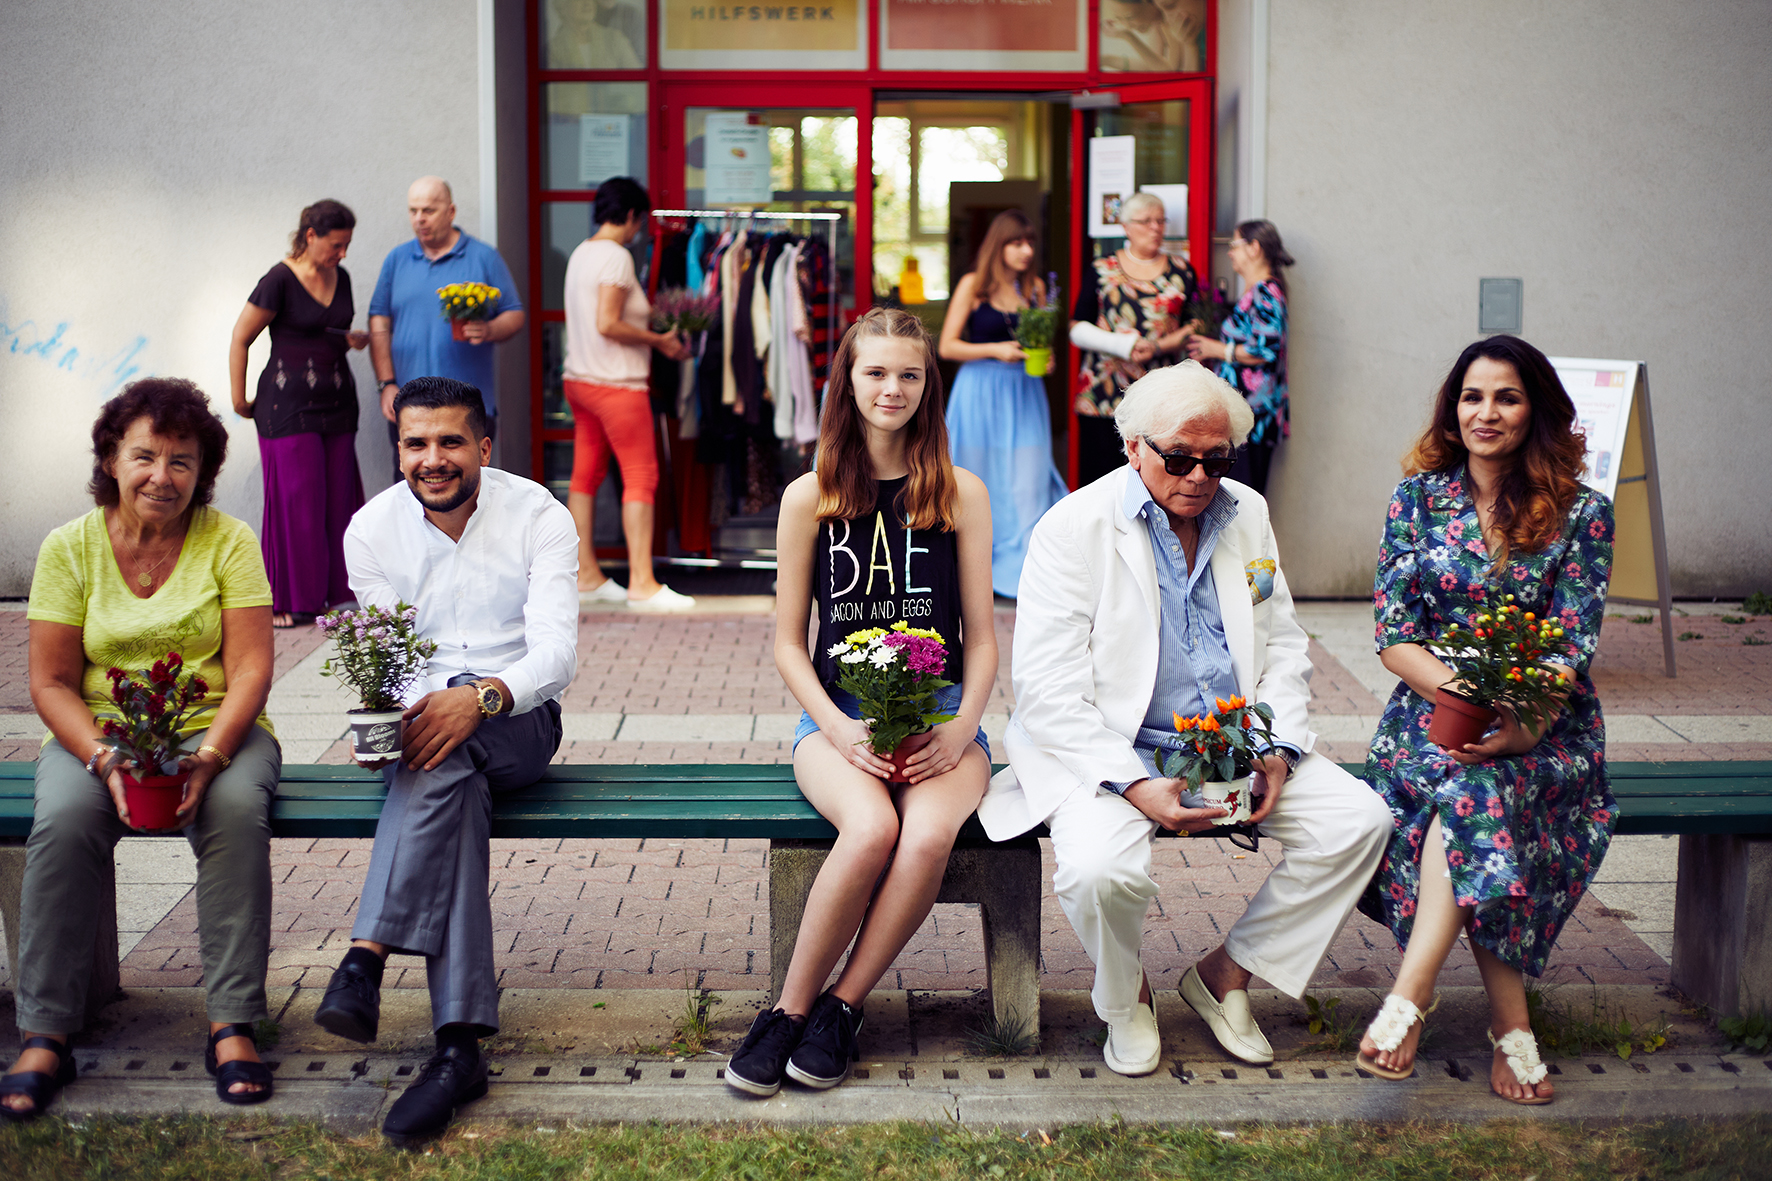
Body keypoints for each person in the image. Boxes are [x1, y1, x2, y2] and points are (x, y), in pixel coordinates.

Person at [978, 361, 1392, 1076]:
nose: (1199, 475)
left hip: (1237, 748)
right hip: (1111, 753)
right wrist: (1135, 784)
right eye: (1178, 456)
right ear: (1132, 446)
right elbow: (1046, 690)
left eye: (1217, 458)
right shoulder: (1071, 528)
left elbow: (1282, 640)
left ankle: (1226, 974)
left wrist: (1280, 749)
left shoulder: (1249, 514)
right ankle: (1124, 997)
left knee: (1358, 822)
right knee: (1102, 871)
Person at [726, 309, 997, 1097]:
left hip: (943, 719)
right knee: (873, 825)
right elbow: (786, 641)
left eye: (909, 374)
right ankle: (785, 1010)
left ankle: (842, 1007)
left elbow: (980, 638)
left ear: (928, 385)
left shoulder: (960, 493)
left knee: (925, 837)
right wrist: (841, 729)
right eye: (876, 372)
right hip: (836, 721)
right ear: (847, 379)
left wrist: (964, 726)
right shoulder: (810, 495)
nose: (893, 388)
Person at [3, 379, 281, 1119]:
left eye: (182, 461)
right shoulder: (71, 546)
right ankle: (45, 1029)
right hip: (101, 730)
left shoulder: (230, 541)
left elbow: (252, 666)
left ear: (203, 472)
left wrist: (215, 752)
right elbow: (53, 680)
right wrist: (102, 756)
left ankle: (232, 1022)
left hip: (212, 724)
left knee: (234, 812)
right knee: (62, 822)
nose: (163, 475)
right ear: (111, 459)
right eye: (145, 456)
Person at [309, 377, 577, 1145]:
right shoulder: (371, 530)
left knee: (443, 751)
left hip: (520, 719)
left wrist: (481, 696)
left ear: (484, 447)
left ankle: (365, 953)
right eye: (416, 443)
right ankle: (457, 1048)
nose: (433, 459)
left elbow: (556, 653)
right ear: (398, 449)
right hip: (433, 737)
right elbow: (388, 663)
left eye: (451, 442)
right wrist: (411, 713)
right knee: (445, 774)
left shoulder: (538, 515)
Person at [1355, 335, 1615, 1106]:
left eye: (1506, 396)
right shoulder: (1417, 499)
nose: (1486, 412)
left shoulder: (1582, 513)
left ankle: (1411, 999)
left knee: (1479, 790)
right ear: (1452, 407)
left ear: (1535, 408)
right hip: (1431, 712)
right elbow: (1394, 634)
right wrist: (1465, 695)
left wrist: (1523, 721)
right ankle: (1511, 1026)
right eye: (1472, 396)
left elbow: (1570, 641)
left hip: (1547, 722)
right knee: (1468, 782)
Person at [228, 199, 369, 629]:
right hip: (286, 408)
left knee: (342, 503)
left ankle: (340, 596)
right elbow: (241, 338)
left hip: (339, 406)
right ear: (310, 236)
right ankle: (290, 600)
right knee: (297, 505)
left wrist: (351, 340)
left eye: (347, 245)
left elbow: (320, 333)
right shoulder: (279, 279)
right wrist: (239, 399)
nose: (342, 253)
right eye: (336, 244)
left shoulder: (340, 276)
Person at [562, 176, 696, 611]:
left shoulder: (581, 253)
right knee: (641, 476)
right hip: (616, 385)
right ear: (634, 216)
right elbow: (608, 322)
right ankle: (642, 583)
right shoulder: (616, 257)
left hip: (580, 381)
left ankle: (586, 574)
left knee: (585, 477)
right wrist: (660, 341)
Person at [938, 209, 1068, 598]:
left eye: (1030, 243)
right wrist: (996, 349)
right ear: (999, 245)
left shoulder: (1036, 291)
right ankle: (972, 569)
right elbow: (947, 346)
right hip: (979, 392)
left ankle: (1025, 572)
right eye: (1016, 243)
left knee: (1029, 478)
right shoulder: (973, 287)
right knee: (976, 475)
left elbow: (1045, 351)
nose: (1026, 251)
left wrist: (1043, 359)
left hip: (1024, 393)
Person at [369, 177, 523, 462]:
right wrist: (386, 383)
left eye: (428, 211)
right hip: (411, 407)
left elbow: (514, 313)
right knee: (411, 493)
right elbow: (379, 321)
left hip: (470, 408)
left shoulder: (483, 257)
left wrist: (489, 329)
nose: (419, 219)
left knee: (473, 489)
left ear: (451, 212)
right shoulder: (397, 259)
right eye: (413, 211)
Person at [1068, 191, 1203, 487]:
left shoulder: (1181, 271)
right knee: (1100, 482)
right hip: (1103, 396)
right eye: (1146, 221)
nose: (1156, 227)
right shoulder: (1101, 269)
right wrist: (1123, 346)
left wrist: (1156, 347)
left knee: (1155, 478)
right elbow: (1077, 328)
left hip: (1161, 396)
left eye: (1160, 220)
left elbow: (1196, 324)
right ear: (1126, 227)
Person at [1185, 220, 1294, 496]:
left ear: (1254, 248)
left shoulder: (1266, 292)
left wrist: (1218, 350)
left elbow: (1266, 349)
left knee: (1243, 498)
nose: (1230, 253)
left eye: (1234, 246)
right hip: (1246, 415)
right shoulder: (1260, 291)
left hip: (1253, 418)